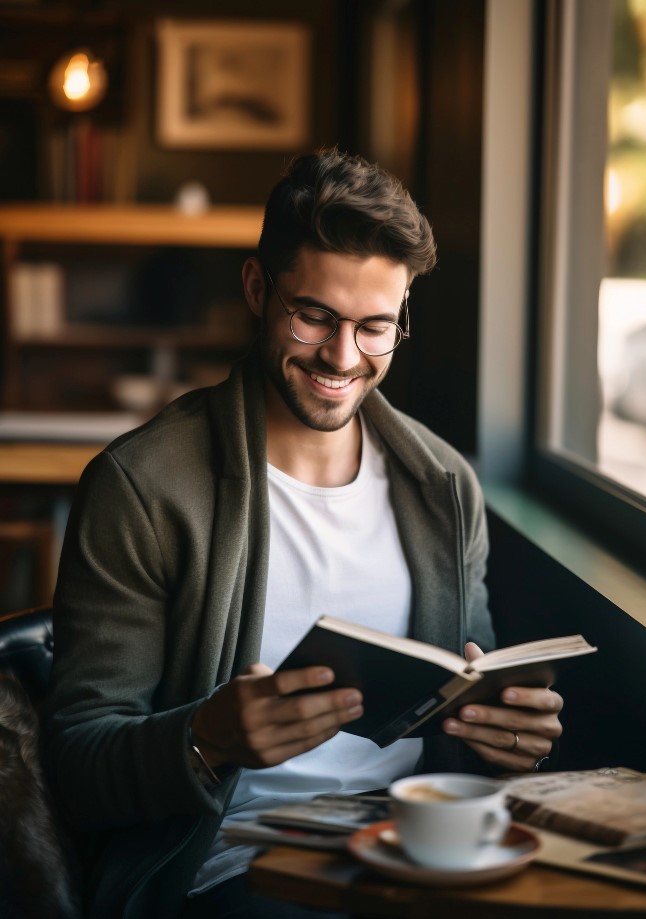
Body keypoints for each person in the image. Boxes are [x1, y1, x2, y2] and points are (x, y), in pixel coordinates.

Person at [44, 149, 563, 919]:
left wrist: (506, 732)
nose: (342, 357)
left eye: (375, 328)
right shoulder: (143, 486)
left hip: (418, 844)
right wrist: (208, 736)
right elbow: (77, 765)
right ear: (258, 288)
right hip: (230, 863)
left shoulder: (443, 485)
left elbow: (469, 685)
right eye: (314, 315)